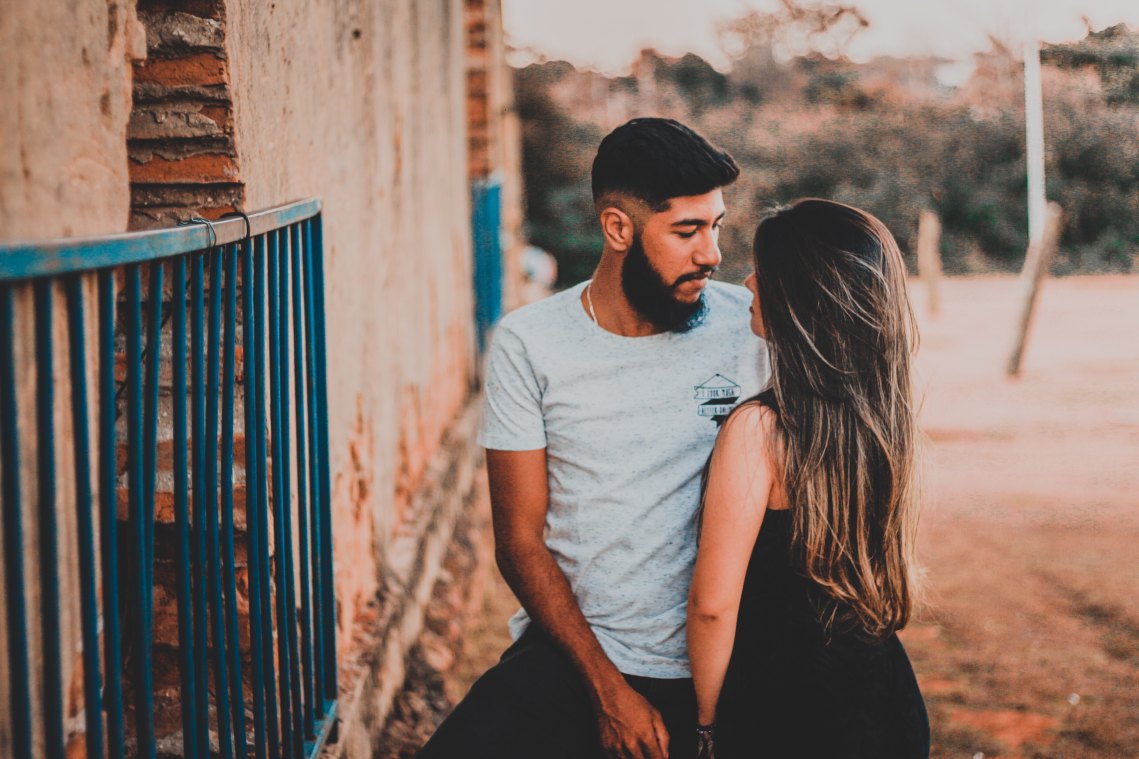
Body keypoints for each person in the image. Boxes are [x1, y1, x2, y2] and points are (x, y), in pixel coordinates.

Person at [417, 118, 768, 759]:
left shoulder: (748, 329)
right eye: (687, 232)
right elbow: (519, 540)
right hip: (578, 654)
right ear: (618, 229)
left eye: (714, 226)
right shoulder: (531, 344)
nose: (712, 254)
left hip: (725, 664)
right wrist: (608, 692)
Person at [686, 198, 930, 758]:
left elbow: (712, 604)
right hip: (884, 701)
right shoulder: (881, 416)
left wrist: (705, 726)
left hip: (787, 710)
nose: (747, 282)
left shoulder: (760, 430)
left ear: (800, 300)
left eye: (763, 272)